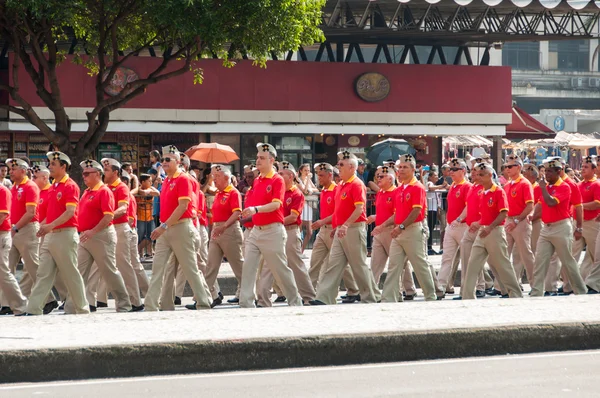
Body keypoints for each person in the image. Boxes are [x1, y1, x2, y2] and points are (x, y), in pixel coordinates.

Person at [144, 145, 213, 311]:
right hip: (166, 229)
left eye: (168, 159)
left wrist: (164, 226)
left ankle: (204, 302)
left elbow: (183, 206)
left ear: (177, 161)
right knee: (158, 269)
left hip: (181, 228)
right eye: (162, 160)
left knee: (190, 269)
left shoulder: (184, 179)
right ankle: (153, 305)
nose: (164, 163)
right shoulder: (167, 180)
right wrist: (163, 226)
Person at [310, 151, 381, 305]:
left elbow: (359, 209)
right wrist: (337, 225)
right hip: (342, 230)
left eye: (342, 164)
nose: (339, 167)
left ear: (351, 167)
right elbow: (339, 210)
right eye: (338, 163)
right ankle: (323, 297)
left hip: (354, 229)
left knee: (359, 266)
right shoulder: (341, 185)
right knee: (333, 265)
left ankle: (371, 296)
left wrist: (346, 225)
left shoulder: (356, 184)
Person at [238, 143, 303, 308]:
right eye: (257, 157)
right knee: (248, 266)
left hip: (273, 231)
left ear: (271, 160)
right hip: (256, 231)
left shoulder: (277, 180)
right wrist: (248, 212)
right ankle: (246, 303)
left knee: (280, 269)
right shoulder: (258, 180)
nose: (257, 160)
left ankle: (295, 301)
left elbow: (276, 205)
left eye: (262, 158)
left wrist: (255, 209)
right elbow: (254, 206)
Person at [25, 151, 90, 315]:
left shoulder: (70, 186)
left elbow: (70, 212)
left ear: (64, 166)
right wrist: (44, 226)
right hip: (51, 234)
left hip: (65, 234)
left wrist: (49, 225)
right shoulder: (55, 185)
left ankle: (82, 308)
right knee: (43, 273)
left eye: (53, 164)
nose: (50, 167)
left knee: (70, 273)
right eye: (49, 164)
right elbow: (53, 213)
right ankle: (33, 309)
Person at [75, 159, 132, 313]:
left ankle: (124, 303)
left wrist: (92, 231)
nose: (84, 176)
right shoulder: (87, 191)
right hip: (85, 237)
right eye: (83, 173)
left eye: (87, 173)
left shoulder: (104, 191)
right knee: (78, 271)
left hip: (101, 235)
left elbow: (108, 216)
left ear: (97, 174)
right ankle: (76, 305)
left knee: (109, 272)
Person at [257, 162, 316, 306]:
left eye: (282, 173)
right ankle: (263, 299)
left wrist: (275, 222)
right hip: (275, 230)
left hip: (289, 231)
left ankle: (308, 296)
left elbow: (294, 217)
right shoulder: (279, 190)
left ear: (291, 176)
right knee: (268, 265)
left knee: (296, 265)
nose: (279, 176)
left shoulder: (297, 194)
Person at [379, 154, 437, 302]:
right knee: (393, 266)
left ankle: (430, 295)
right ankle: (388, 298)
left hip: (412, 230)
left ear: (412, 169)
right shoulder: (400, 189)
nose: (401, 170)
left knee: (420, 265)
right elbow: (397, 213)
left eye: (405, 167)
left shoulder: (417, 187)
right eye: (400, 167)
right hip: (400, 231)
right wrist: (384, 225)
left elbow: (416, 211)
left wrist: (401, 226)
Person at [461, 163, 522, 300]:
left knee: (503, 264)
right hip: (483, 232)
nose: (478, 177)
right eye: (477, 174)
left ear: (490, 175)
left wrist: (489, 227)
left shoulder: (498, 191)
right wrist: (479, 223)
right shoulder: (483, 192)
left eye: (481, 175)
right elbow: (487, 214)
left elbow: (503, 213)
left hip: (495, 232)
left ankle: (515, 293)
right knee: (472, 264)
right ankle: (467, 296)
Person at [530, 159, 588, 296]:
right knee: (540, 260)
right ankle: (537, 291)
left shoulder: (564, 187)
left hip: (561, 227)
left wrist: (579, 227)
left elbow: (550, 202)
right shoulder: (548, 187)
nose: (546, 174)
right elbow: (540, 203)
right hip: (546, 227)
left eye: (550, 171)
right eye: (545, 171)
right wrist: (532, 214)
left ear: (558, 172)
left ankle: (580, 290)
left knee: (567, 261)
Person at [308, 162, 360, 300]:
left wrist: (323, 221)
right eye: (318, 175)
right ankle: (309, 292)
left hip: (332, 228)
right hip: (323, 230)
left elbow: (337, 212)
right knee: (315, 261)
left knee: (339, 263)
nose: (319, 178)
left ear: (330, 175)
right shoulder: (324, 191)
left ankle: (353, 290)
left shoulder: (337, 189)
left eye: (322, 175)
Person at [368, 164, 418, 300]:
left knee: (398, 264)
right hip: (379, 232)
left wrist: (379, 221)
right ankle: (373, 291)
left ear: (390, 179)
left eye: (382, 176)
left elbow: (396, 215)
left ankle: (404, 290)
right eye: (377, 176)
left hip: (391, 230)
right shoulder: (380, 193)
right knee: (375, 264)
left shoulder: (397, 192)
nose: (378, 178)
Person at [100, 158, 143, 311]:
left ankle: (135, 301)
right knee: (108, 266)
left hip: (119, 228)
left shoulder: (121, 187)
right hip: (107, 228)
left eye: (106, 170)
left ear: (115, 172)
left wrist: (107, 216)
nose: (103, 173)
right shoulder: (105, 187)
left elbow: (123, 209)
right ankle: (102, 299)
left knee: (124, 265)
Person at [203, 164, 244, 306]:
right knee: (211, 266)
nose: (214, 179)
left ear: (227, 177)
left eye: (217, 176)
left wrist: (224, 226)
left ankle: (248, 293)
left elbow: (237, 212)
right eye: (213, 176)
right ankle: (204, 298)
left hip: (229, 230)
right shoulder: (218, 193)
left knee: (237, 265)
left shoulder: (233, 192)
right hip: (217, 229)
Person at [437, 159, 472, 295]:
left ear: (463, 171)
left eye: (455, 169)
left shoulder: (467, 186)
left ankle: (476, 286)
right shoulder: (453, 186)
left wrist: (459, 219)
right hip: (452, 226)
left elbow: (469, 206)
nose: (451, 172)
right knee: (447, 257)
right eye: (450, 169)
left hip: (462, 226)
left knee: (467, 258)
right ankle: (441, 286)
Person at [502, 155, 536, 287]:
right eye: (506, 166)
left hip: (520, 221)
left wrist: (517, 220)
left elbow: (530, 205)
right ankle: (504, 286)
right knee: (504, 254)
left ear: (519, 167)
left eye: (510, 166)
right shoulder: (507, 184)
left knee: (525, 255)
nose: (507, 169)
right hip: (508, 220)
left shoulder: (524, 183)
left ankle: (535, 284)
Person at [0, 183, 28, 315]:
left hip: (1, 235)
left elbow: (2, 215)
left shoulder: (3, 191)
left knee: (3, 273)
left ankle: (21, 304)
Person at [132, 174, 159, 258]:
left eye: (151, 181)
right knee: (139, 236)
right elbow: (134, 193)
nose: (151, 182)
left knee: (151, 236)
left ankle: (138, 250)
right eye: (149, 181)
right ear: (143, 182)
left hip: (150, 217)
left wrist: (147, 191)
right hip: (140, 217)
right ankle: (139, 254)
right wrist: (142, 191)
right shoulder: (138, 189)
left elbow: (157, 193)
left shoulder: (151, 188)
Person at [297, 163, 318, 253]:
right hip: (302, 205)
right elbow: (304, 191)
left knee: (309, 232)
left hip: (308, 206)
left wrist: (310, 188)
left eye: (308, 170)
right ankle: (296, 250)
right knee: (299, 229)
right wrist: (308, 188)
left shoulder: (308, 180)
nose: (307, 172)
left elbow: (316, 190)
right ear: (301, 171)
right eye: (305, 170)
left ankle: (301, 250)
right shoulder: (298, 180)